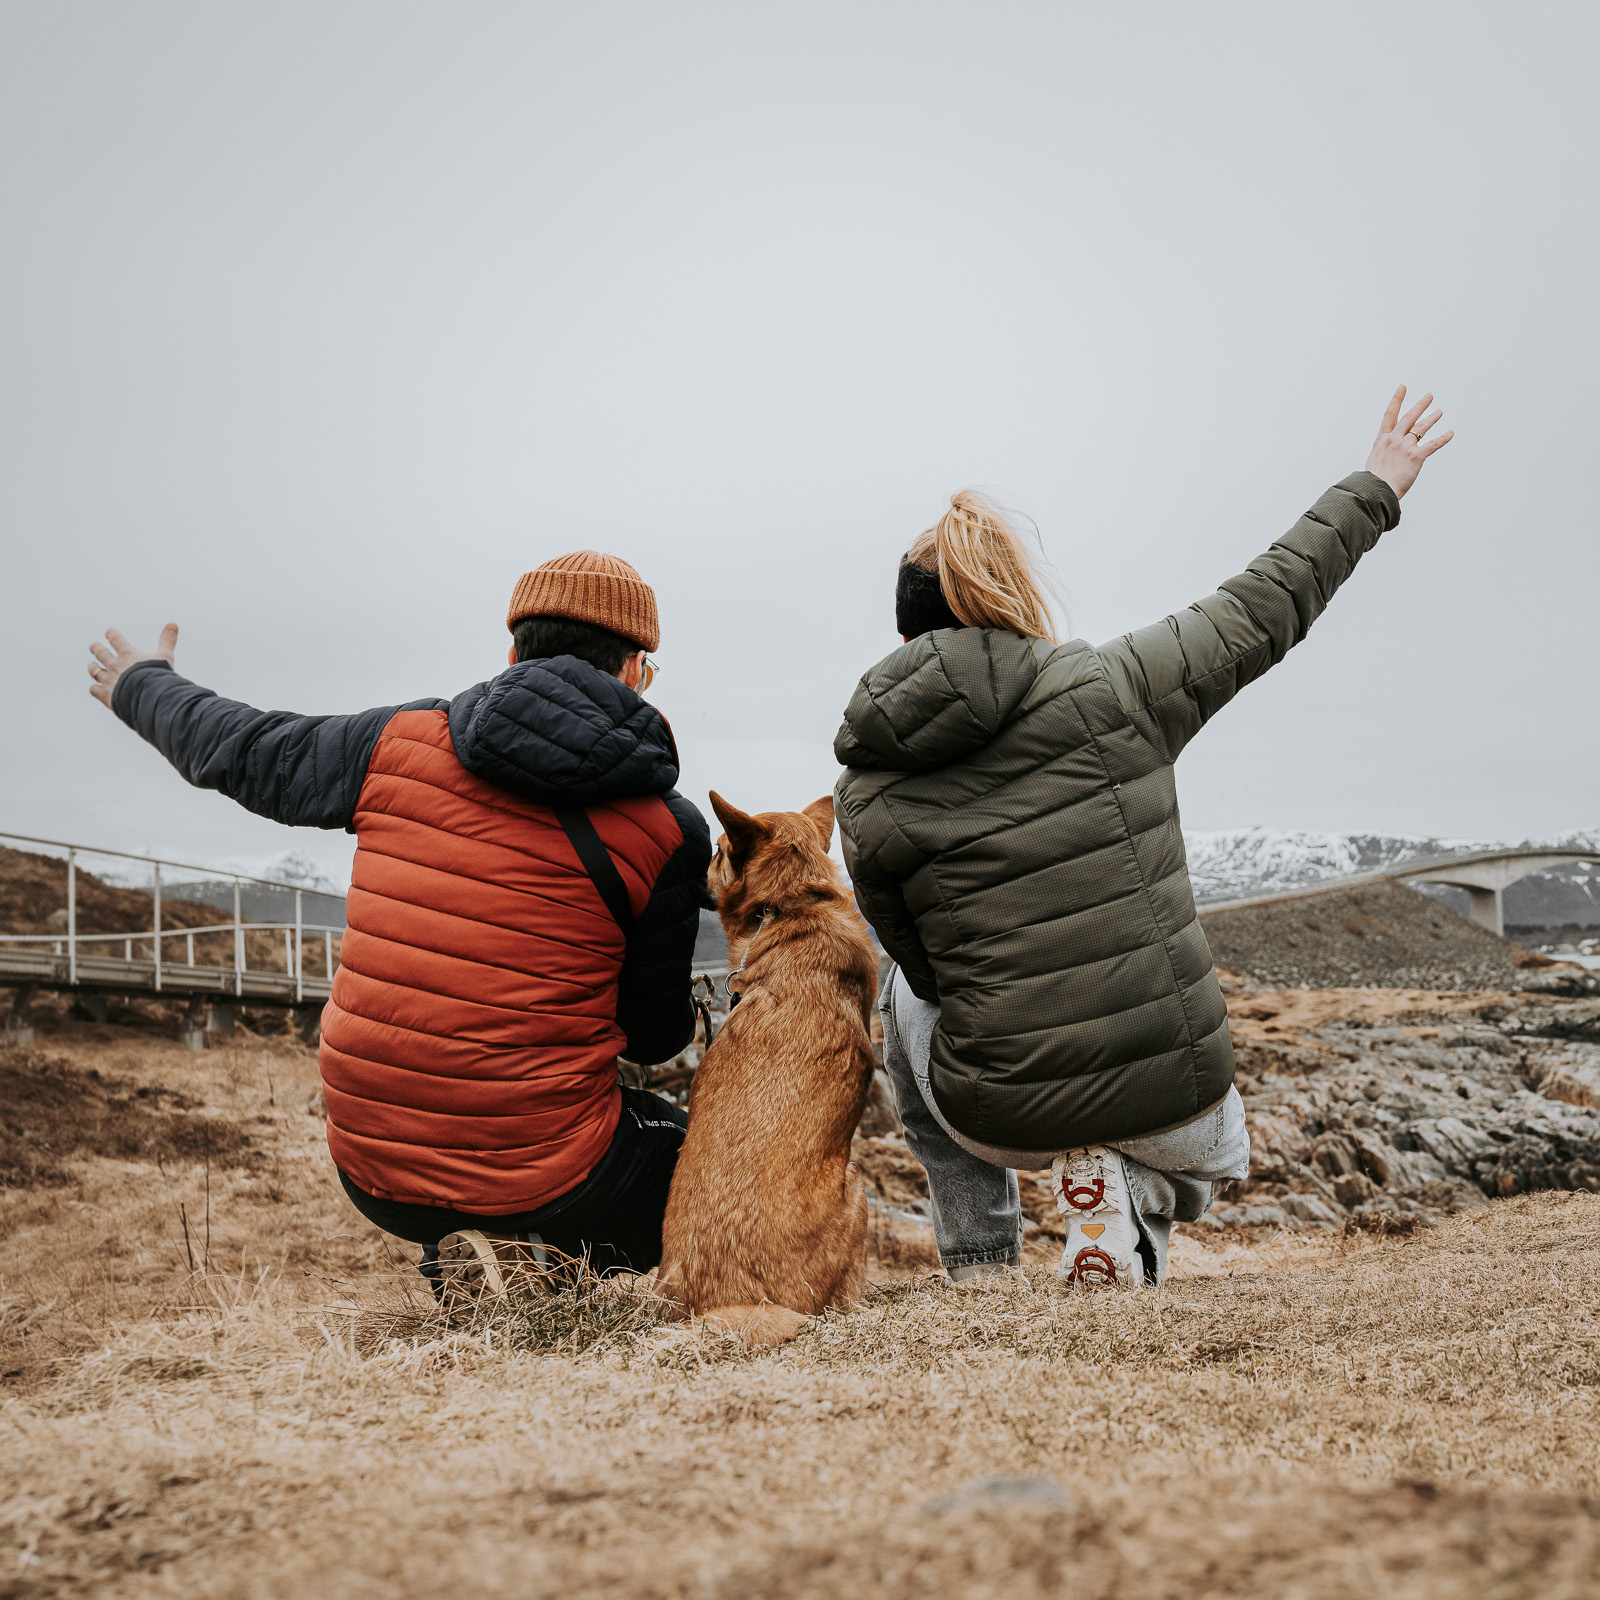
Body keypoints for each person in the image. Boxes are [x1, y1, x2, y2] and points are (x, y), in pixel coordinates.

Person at [833, 387, 1453, 1289]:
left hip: (999, 1115)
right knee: (1211, 1145)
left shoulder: (868, 787)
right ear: (1012, 597)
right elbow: (1262, 605)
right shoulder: (1114, 688)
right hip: (1181, 1104)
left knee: (900, 994)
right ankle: (1131, 1192)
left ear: (904, 633)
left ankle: (981, 1268)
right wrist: (1375, 485)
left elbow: (923, 969)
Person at [86, 551, 710, 1292]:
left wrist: (141, 684)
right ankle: (543, 1262)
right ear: (636, 671)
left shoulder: (395, 743)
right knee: (702, 1156)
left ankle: (478, 1257)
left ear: (512, 654)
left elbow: (242, 748)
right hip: (544, 1172)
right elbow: (654, 1034)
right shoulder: (667, 829)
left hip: (373, 1165)